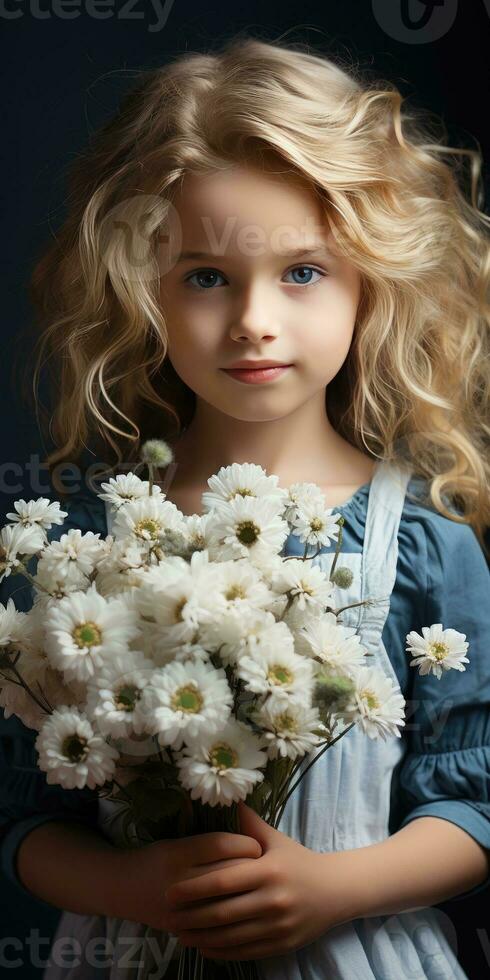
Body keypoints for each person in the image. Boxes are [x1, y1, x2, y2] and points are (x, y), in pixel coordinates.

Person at [1, 33, 489, 980]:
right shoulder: (93, 548)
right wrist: (132, 888)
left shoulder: (423, 545)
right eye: (208, 277)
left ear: (370, 287)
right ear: (143, 289)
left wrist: (335, 889)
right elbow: (25, 817)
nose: (255, 318)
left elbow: (475, 797)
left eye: (302, 271)